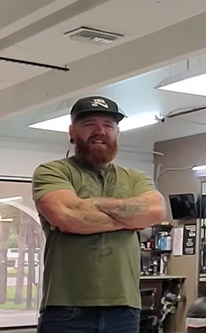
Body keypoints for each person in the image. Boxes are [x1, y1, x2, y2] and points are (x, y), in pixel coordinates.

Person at [32, 96, 166, 333]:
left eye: (108, 125)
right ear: (72, 132)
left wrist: (89, 208)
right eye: (89, 124)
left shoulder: (135, 177)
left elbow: (155, 211)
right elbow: (68, 215)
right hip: (66, 308)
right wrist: (128, 219)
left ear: (117, 133)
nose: (100, 131)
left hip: (125, 309)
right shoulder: (52, 171)